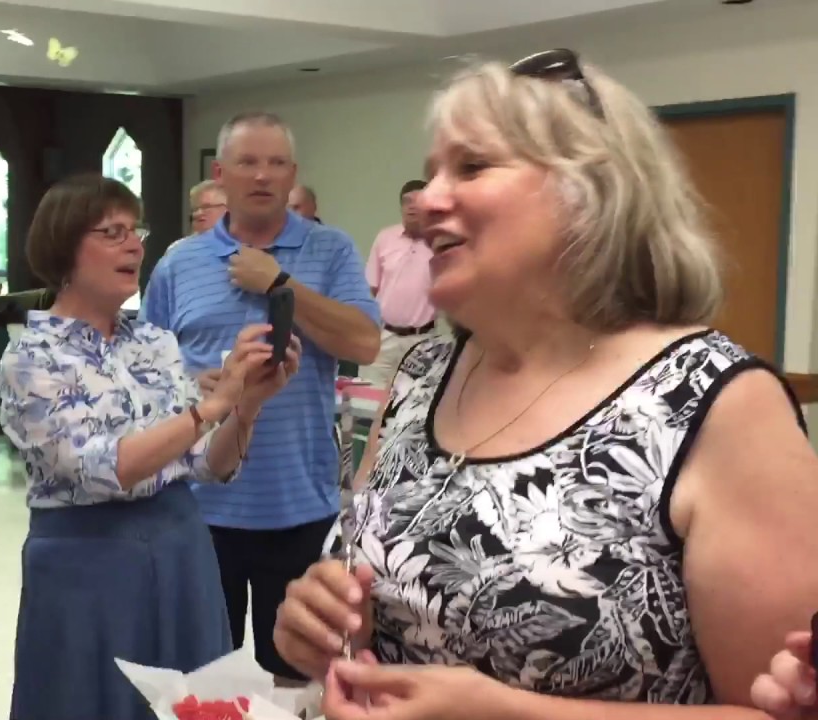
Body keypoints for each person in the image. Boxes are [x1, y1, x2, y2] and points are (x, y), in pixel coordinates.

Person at [273, 49, 818, 719]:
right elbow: (377, 599)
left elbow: (777, 712)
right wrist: (322, 625)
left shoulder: (712, 402)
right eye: (431, 173)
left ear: (587, 192)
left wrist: (504, 712)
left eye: (472, 167)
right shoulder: (422, 379)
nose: (428, 199)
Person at [0, 174, 299, 720]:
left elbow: (207, 463)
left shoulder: (154, 342)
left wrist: (247, 405)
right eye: (112, 232)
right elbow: (106, 468)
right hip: (88, 565)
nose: (134, 245)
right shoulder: (33, 357)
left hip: (181, 549)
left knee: (191, 701)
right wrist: (210, 406)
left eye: (136, 230)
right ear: (64, 246)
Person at [144, 111, 380, 685]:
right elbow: (146, 374)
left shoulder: (331, 250)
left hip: (299, 505)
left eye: (276, 163)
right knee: (198, 675)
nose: (262, 175)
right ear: (221, 173)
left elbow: (365, 342)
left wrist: (279, 284)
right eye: (248, 162)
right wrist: (191, 385)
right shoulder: (180, 261)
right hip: (198, 509)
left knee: (299, 675)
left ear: (292, 173)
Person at [361, 179, 437, 388]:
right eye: (406, 201)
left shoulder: (439, 242)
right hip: (384, 337)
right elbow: (371, 289)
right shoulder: (385, 238)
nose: (412, 206)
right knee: (368, 401)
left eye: (418, 201)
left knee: (415, 404)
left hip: (422, 341)